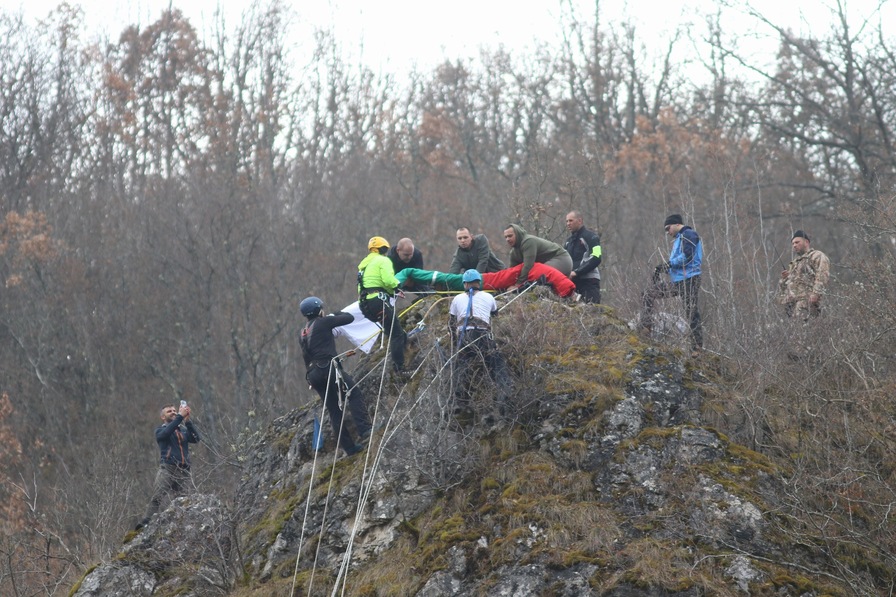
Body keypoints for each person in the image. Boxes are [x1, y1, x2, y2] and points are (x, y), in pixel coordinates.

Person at [299, 296, 372, 456]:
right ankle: (365, 429)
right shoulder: (323, 322)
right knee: (353, 392)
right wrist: (335, 314)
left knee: (333, 410)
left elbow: (308, 355)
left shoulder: (303, 332)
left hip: (313, 375)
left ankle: (350, 448)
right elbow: (349, 318)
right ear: (319, 310)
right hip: (328, 368)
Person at [448, 270, 511, 414]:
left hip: (465, 336)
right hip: (483, 335)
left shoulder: (457, 299)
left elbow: (451, 323)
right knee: (496, 362)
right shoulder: (488, 296)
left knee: (461, 365)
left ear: (464, 284)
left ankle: (459, 400)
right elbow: (494, 314)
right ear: (479, 283)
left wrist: (455, 343)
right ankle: (504, 392)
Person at [640, 214, 704, 354]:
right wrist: (662, 269)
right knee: (648, 293)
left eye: (668, 228)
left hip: (690, 279)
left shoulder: (689, 234)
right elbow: (677, 262)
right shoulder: (678, 240)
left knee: (691, 311)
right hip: (678, 280)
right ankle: (646, 329)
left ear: (676, 224)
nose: (667, 232)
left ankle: (697, 347)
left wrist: (669, 264)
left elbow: (688, 256)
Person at [137, 402, 200, 530]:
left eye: (174, 410)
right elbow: (166, 433)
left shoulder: (182, 430)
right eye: (169, 411)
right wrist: (180, 418)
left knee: (184, 501)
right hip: (168, 468)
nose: (173, 412)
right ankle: (144, 524)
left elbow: (196, 438)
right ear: (163, 417)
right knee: (157, 497)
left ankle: (183, 525)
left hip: (183, 471)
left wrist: (188, 422)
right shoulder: (160, 430)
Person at [358, 236, 408, 372]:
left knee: (395, 331)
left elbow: (364, 286)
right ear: (384, 249)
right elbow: (387, 280)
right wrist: (397, 287)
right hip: (377, 301)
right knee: (396, 334)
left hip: (365, 304)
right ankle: (399, 369)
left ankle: (404, 346)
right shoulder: (383, 260)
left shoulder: (363, 265)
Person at [778, 230, 830, 320]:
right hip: (793, 307)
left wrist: (815, 294)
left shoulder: (816, 256)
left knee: (807, 329)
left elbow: (822, 275)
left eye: (797, 242)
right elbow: (787, 287)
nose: (794, 245)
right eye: (793, 243)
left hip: (807, 304)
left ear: (806, 242)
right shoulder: (794, 264)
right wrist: (784, 279)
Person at [503, 224, 573, 285]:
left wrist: (518, 284)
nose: (508, 239)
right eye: (506, 237)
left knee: (538, 276)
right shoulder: (513, 253)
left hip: (561, 259)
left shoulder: (528, 241)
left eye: (510, 236)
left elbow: (528, 266)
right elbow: (511, 272)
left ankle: (572, 294)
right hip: (547, 264)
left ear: (517, 234)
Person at [564, 211, 603, 304]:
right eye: (566, 221)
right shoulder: (568, 242)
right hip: (573, 283)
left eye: (571, 220)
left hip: (589, 282)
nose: (568, 223)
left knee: (591, 311)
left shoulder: (592, 237)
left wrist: (576, 272)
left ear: (580, 221)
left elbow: (597, 257)